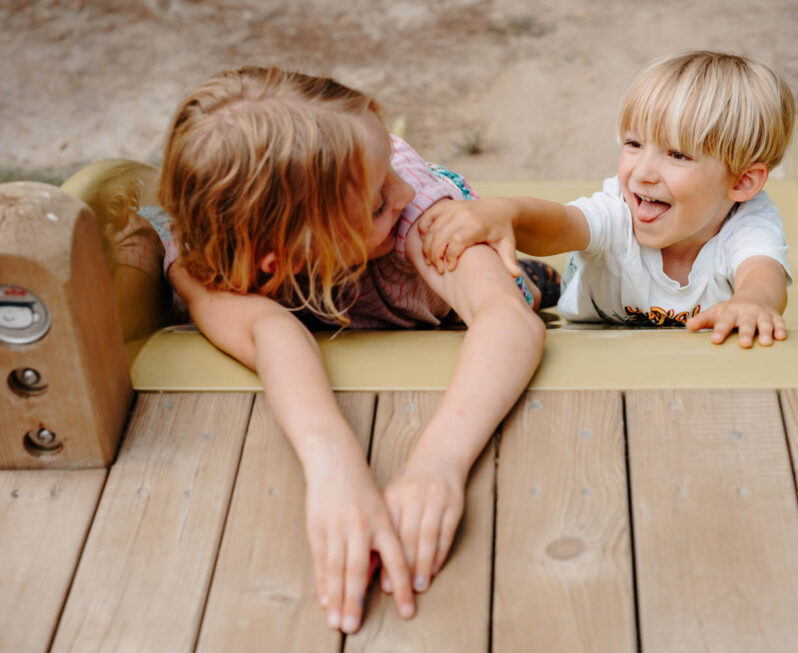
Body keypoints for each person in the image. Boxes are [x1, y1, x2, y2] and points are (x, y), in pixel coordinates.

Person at [155, 67, 544, 633]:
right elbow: (271, 332)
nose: (402, 191)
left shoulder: (418, 209)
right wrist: (333, 467)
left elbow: (506, 318)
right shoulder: (207, 260)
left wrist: (437, 464)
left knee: (538, 285)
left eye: (392, 163)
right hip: (343, 302)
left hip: (452, 303)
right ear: (282, 259)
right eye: (379, 202)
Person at [418, 50, 795, 347]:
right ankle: (537, 280)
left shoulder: (749, 224)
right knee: (520, 296)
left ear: (743, 182)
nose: (643, 172)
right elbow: (565, 225)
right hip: (585, 309)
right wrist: (508, 213)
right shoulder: (620, 207)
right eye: (634, 144)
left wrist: (754, 302)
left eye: (678, 155)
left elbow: (763, 275)